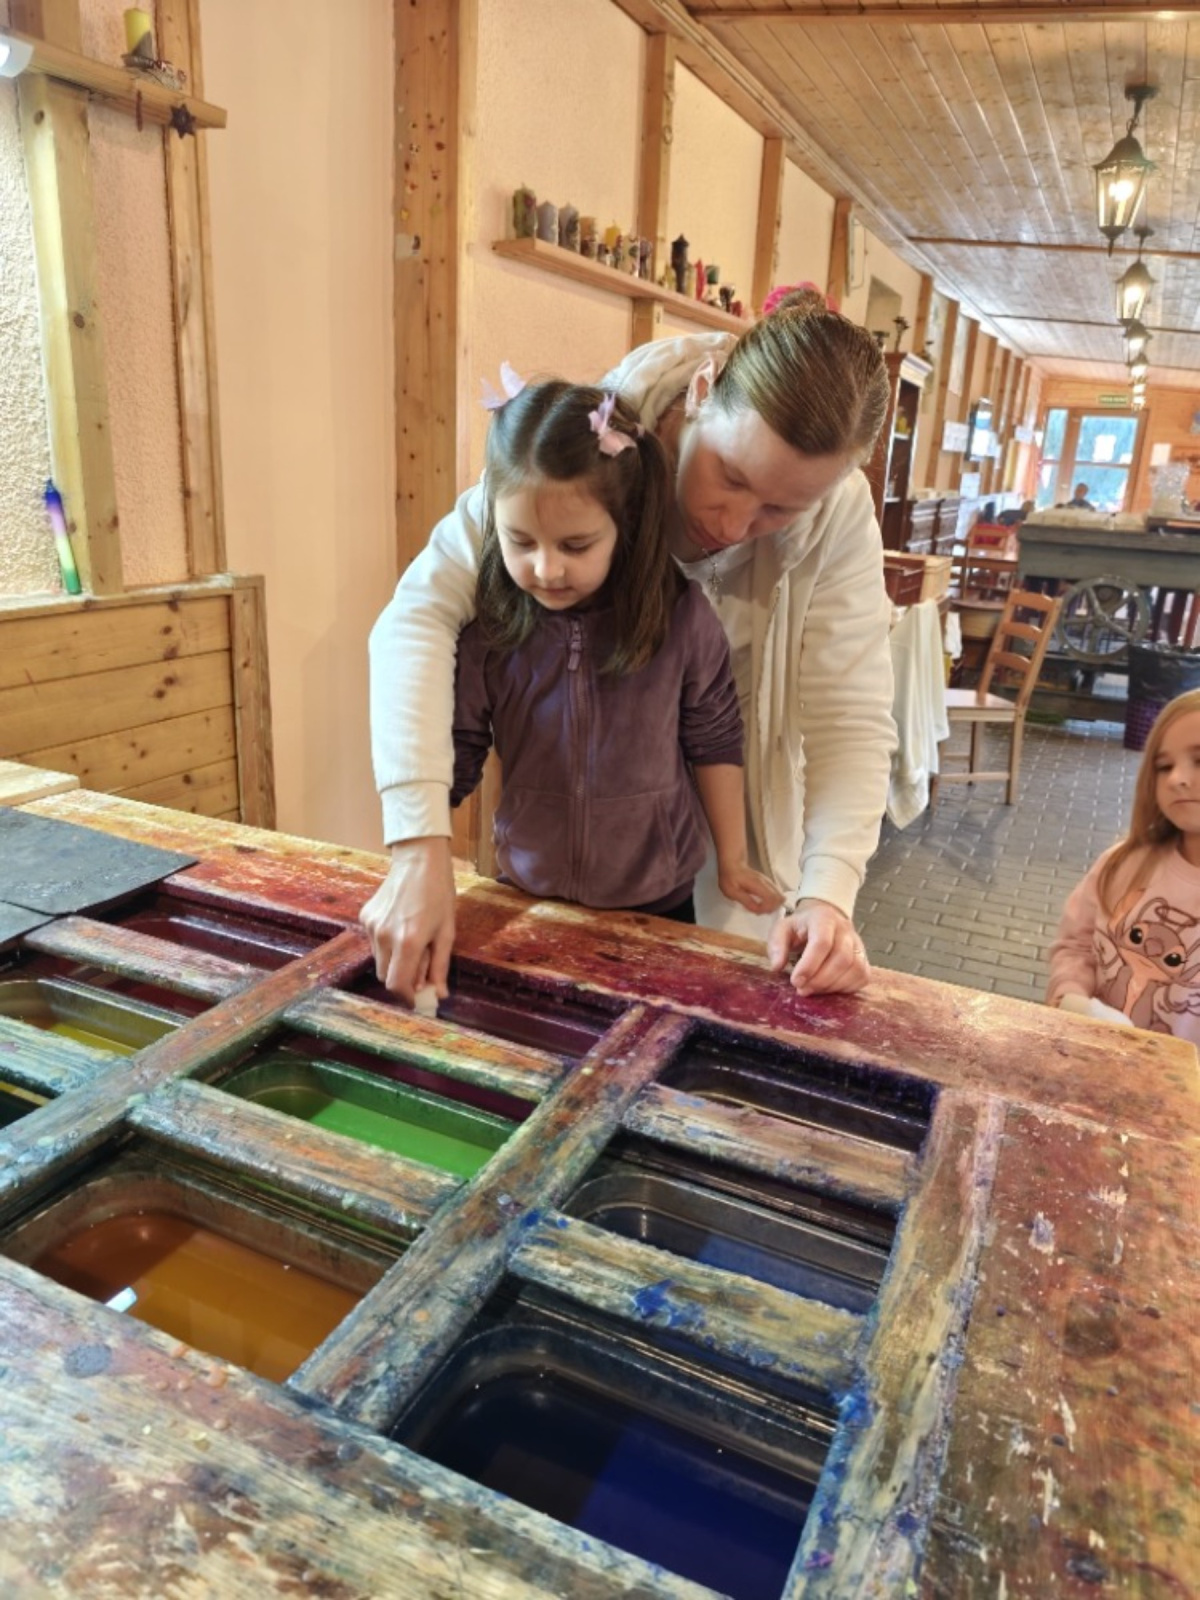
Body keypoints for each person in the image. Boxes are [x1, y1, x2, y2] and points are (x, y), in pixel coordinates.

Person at [364, 288, 897, 1004]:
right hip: (555, 858)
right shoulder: (582, 450)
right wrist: (417, 844)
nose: (733, 525)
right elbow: (417, 618)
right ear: (703, 390)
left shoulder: (839, 514)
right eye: (731, 476)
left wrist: (829, 892)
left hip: (730, 854)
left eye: (780, 509)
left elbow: (850, 716)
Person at [451, 378, 779, 924]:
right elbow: (457, 749)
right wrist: (422, 853)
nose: (546, 569)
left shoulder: (681, 619)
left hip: (659, 897)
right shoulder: (491, 629)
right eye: (521, 541)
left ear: (623, 526)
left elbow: (715, 737)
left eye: (575, 545)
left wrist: (733, 859)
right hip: (530, 889)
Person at [1046, 690, 1200, 1042]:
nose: (1176, 778)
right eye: (1164, 766)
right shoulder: (1123, 865)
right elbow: (1077, 944)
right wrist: (1071, 996)